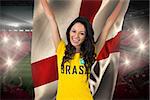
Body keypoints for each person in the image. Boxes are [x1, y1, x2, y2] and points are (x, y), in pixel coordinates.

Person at [40, 0, 125, 100]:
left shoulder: (91, 53)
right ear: (69, 32)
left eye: (81, 33)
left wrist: (122, 1)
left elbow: (108, 24)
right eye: (74, 31)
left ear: (86, 36)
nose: (76, 36)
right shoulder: (61, 49)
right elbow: (51, 18)